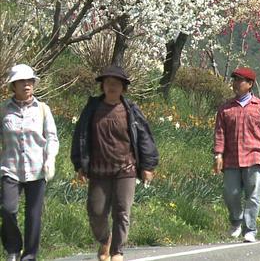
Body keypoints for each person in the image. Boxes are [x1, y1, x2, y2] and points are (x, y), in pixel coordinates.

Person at [71, 65, 159, 261]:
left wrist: (147, 166)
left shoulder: (131, 110)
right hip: (98, 170)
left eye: (116, 84)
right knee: (96, 212)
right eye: (108, 83)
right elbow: (80, 136)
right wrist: (79, 164)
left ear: (123, 88)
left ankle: (117, 250)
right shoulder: (92, 109)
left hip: (125, 168)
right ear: (102, 86)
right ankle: (105, 239)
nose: (112, 87)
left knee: (122, 211)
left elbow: (144, 137)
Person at [1, 64, 59, 261]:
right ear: (13, 86)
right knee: (8, 210)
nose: (27, 85)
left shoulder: (43, 109)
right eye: (22, 82)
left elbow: (52, 137)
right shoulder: (3, 111)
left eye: (30, 81)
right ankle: (13, 249)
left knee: (33, 216)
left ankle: (29, 256)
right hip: (10, 168)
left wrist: (50, 158)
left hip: (37, 168)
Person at [213, 67, 260, 243]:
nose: (236, 84)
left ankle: (250, 228)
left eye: (240, 80)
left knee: (253, 194)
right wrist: (218, 155)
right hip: (231, 159)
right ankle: (236, 222)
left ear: (250, 84)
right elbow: (219, 133)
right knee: (231, 193)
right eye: (235, 80)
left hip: (254, 156)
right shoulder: (225, 108)